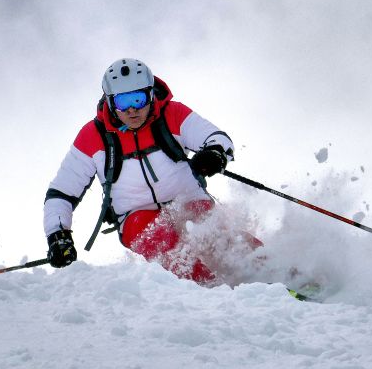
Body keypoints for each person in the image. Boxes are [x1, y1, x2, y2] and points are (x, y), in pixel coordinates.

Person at [43, 58, 248, 284]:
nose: (132, 110)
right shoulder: (94, 136)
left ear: (150, 95)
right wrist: (57, 234)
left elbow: (217, 138)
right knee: (161, 240)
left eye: (138, 99)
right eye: (123, 102)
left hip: (187, 200)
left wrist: (215, 153)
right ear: (110, 103)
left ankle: (273, 272)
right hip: (136, 216)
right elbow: (61, 192)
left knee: (221, 234)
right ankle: (212, 290)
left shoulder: (172, 114)